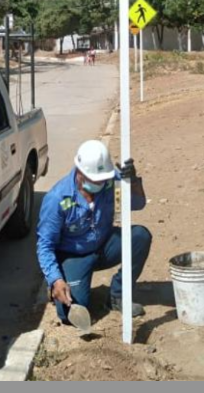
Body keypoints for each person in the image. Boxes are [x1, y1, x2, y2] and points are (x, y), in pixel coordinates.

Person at [36, 140, 152, 333]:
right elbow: (45, 245)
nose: (100, 183)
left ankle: (117, 295)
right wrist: (55, 279)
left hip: (105, 245)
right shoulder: (58, 199)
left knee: (140, 236)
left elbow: (137, 204)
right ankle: (64, 281)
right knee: (69, 314)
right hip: (74, 256)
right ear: (80, 172)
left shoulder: (111, 181)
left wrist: (132, 182)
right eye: (95, 179)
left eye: (103, 179)